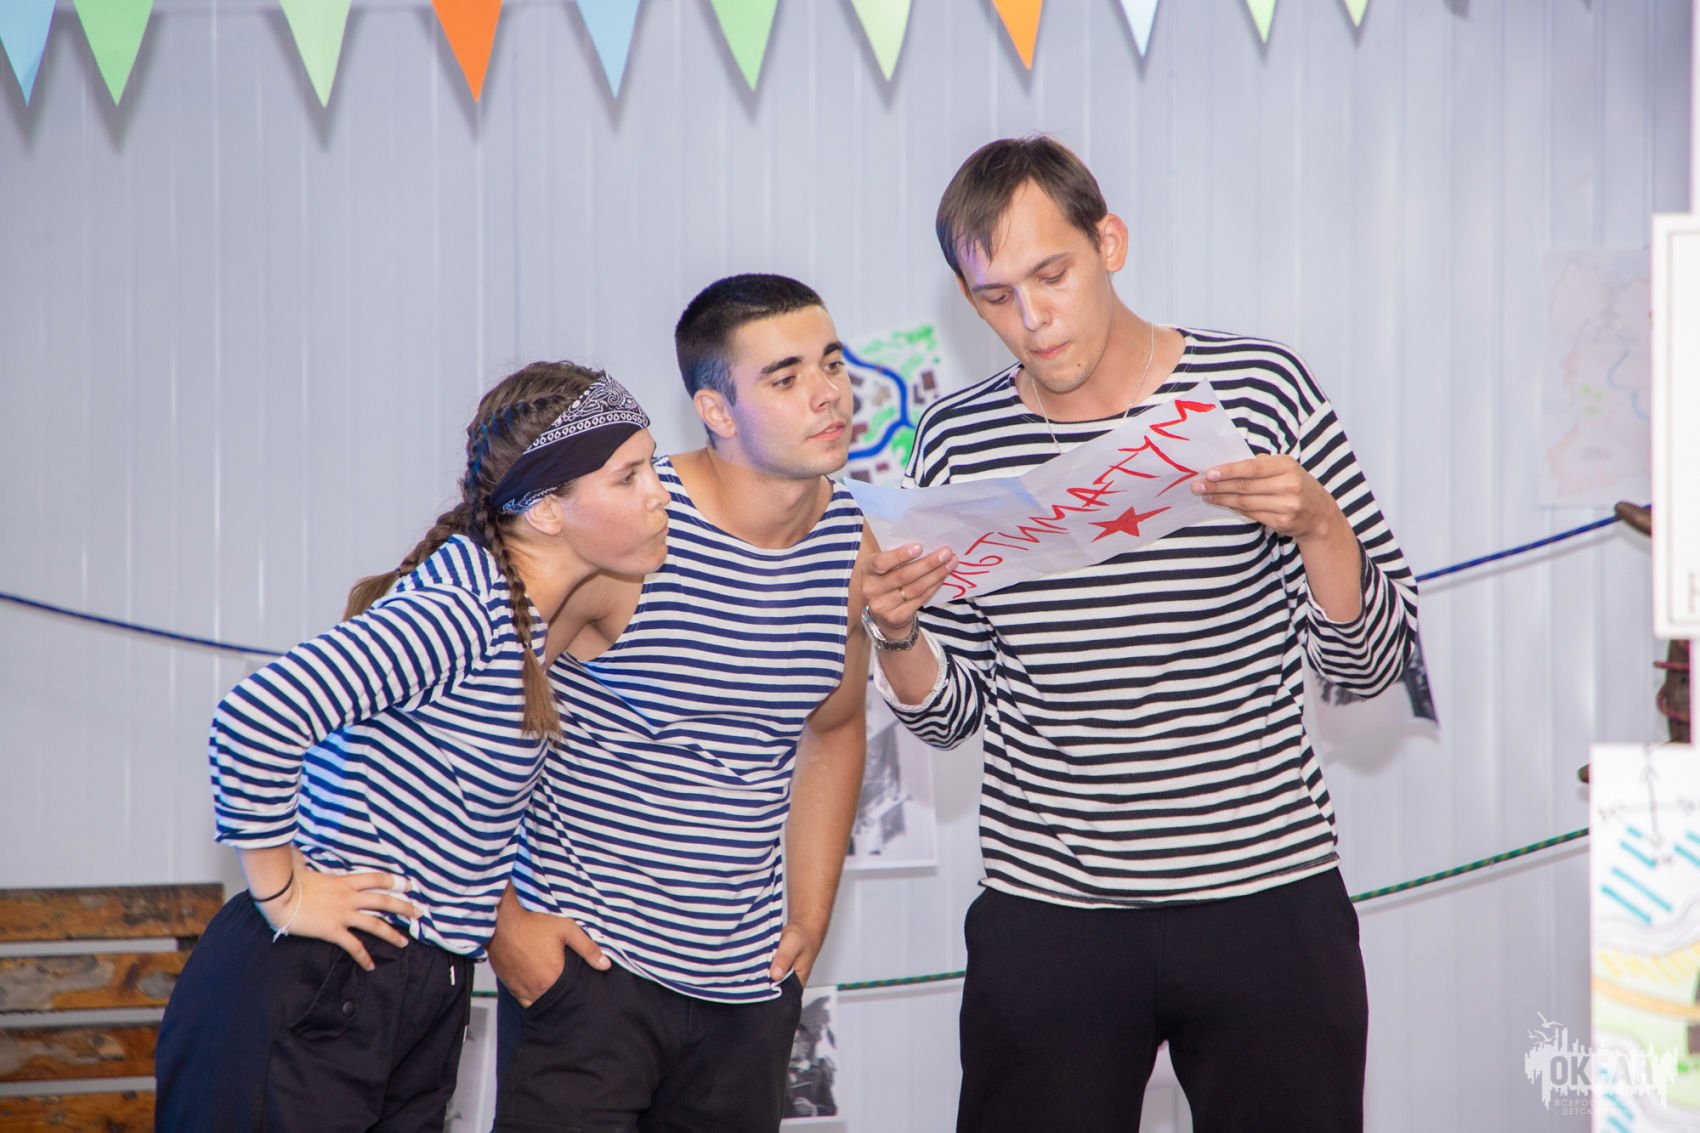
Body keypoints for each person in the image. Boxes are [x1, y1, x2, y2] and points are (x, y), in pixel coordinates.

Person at [865, 136, 1420, 1132]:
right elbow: (953, 717)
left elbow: (1372, 662)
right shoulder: (955, 437)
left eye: (1052, 274)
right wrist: (896, 631)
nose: (1032, 319)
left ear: (1108, 242)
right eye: (995, 296)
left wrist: (1320, 524)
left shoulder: (1256, 387)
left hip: (1265, 892)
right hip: (1048, 907)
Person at [155, 362, 669, 1132]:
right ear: (546, 510)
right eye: (629, 476)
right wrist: (284, 892)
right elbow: (256, 713)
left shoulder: (517, 619)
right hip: (322, 982)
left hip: (413, 986)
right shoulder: (463, 610)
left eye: (652, 468)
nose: (659, 494)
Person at [489, 274, 871, 1132]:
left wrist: (809, 919)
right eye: (784, 377)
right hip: (590, 973)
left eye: (831, 363)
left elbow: (837, 724)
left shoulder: (852, 539)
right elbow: (467, 708)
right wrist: (502, 921)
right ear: (716, 410)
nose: (827, 393)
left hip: (746, 992)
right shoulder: (630, 517)